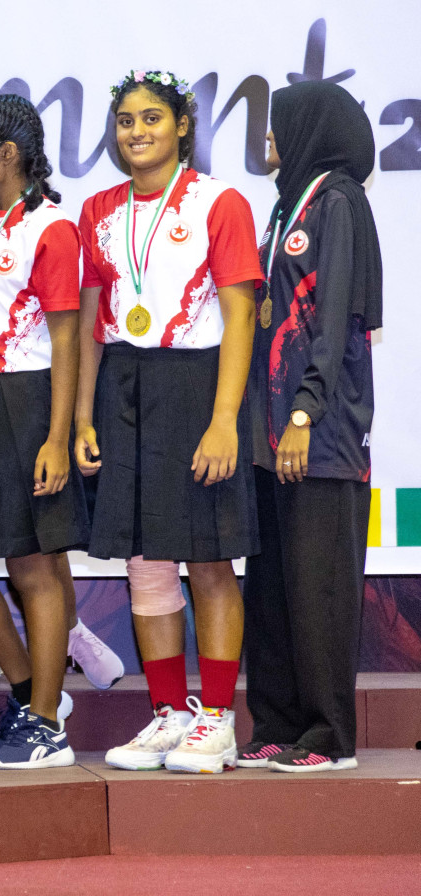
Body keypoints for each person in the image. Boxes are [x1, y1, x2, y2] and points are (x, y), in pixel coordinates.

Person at [67, 71, 261, 774]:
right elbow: (90, 320)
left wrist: (224, 420)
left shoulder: (220, 202)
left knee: (207, 558)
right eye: (124, 120)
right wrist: (83, 414)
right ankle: (168, 712)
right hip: (122, 384)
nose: (137, 131)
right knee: (146, 562)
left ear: (182, 124)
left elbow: (240, 315)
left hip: (195, 383)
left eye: (152, 118)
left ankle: (216, 719)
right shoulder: (97, 211)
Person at [0, 111, 126, 694]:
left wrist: (57, 439)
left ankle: (43, 715)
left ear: (7, 153)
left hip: (26, 396)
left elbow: (68, 336)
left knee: (31, 563)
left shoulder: (53, 227)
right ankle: (27, 690)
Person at [242, 81, 381, 773]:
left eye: (276, 128)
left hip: (317, 432)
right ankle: (278, 724)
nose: (266, 140)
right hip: (270, 430)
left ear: (308, 129)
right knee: (272, 587)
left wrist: (304, 412)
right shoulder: (284, 207)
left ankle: (328, 736)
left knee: (319, 586)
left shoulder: (339, 203)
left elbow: (333, 323)